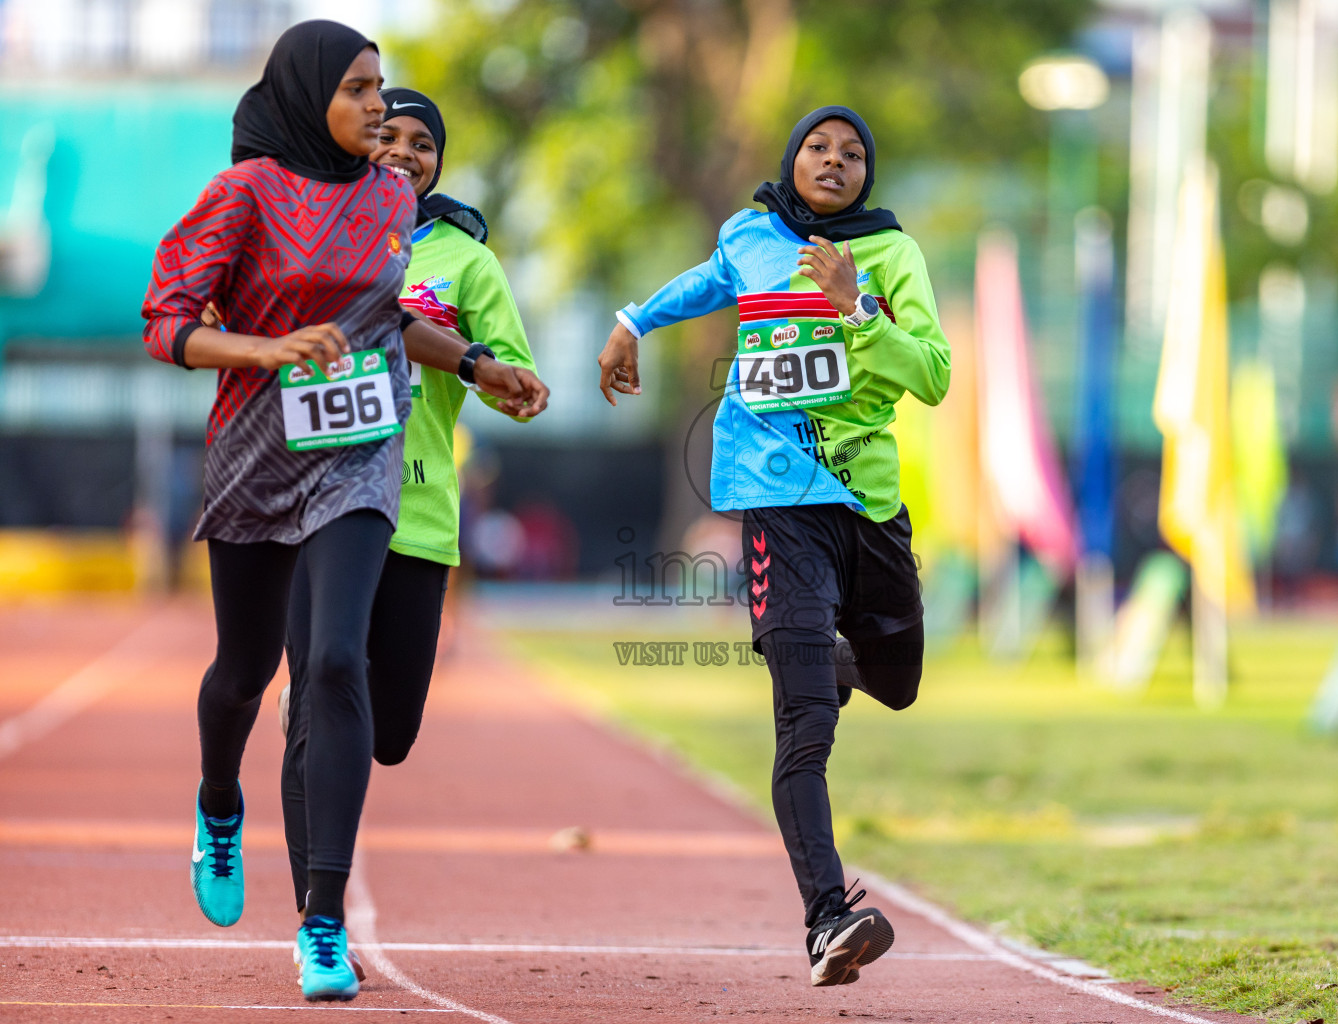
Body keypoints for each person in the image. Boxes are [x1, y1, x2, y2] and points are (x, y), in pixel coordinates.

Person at [142, 21, 533, 1002]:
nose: (378, 109)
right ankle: (221, 799)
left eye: (383, 88)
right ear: (310, 93)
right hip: (256, 448)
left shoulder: (391, 198)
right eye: (359, 89)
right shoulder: (247, 192)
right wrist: (265, 353)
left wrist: (482, 367)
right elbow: (169, 325)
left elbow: (389, 318)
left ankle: (322, 919)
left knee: (331, 661)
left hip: (360, 450)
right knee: (245, 670)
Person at [597, 105, 950, 987]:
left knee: (898, 684)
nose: (834, 161)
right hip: (775, 504)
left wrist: (856, 304)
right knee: (804, 728)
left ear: (870, 174)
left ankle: (831, 668)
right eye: (818, 148)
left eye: (854, 152)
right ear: (792, 159)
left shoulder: (891, 255)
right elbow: (707, 281)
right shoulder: (751, 238)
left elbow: (933, 376)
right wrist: (633, 324)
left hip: (866, 506)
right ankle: (830, 918)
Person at [279, 88, 547, 951]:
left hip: (418, 506)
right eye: (386, 133)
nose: (401, 150)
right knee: (325, 688)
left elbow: (511, 373)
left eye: (421, 141)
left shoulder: (467, 263)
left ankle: (320, 714)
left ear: (440, 161)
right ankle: (318, 915)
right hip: (316, 496)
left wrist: (509, 383)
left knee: (388, 732)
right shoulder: (309, 227)